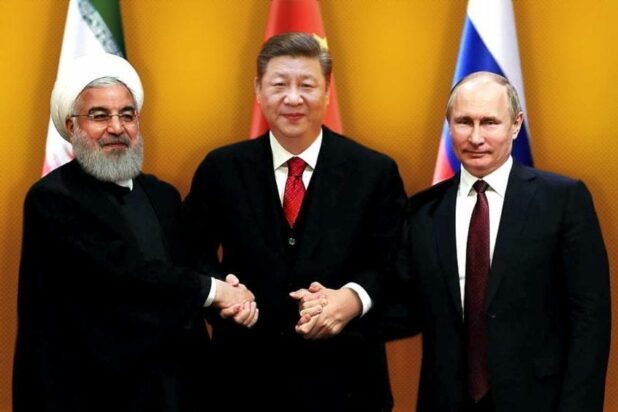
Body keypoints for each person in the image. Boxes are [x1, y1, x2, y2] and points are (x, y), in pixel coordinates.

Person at [13, 53, 258, 412]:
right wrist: (214, 291)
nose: (117, 127)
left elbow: (191, 263)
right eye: (100, 116)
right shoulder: (52, 199)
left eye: (127, 115)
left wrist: (232, 299)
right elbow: (118, 275)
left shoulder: (162, 195)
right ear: (71, 125)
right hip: (93, 393)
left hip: (175, 390)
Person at [183, 32, 406, 411]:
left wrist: (353, 299)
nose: (292, 98)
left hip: (346, 383)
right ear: (258, 90)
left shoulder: (374, 171)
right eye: (279, 84)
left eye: (306, 85)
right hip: (244, 381)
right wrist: (222, 294)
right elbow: (190, 252)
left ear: (327, 90)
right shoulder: (221, 168)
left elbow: (395, 264)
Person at [393, 71, 610, 411]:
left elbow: (590, 319)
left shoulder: (563, 200)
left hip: (539, 402)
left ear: (515, 125)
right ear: (449, 125)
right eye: (464, 122)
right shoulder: (422, 211)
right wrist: (346, 301)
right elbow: (402, 309)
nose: (476, 137)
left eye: (490, 122)